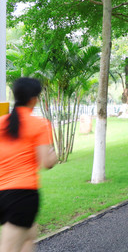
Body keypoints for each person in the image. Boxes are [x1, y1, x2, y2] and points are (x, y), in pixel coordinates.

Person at [0, 78, 57, 252]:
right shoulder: (39, 125)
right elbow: (46, 163)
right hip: (22, 196)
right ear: (33, 99)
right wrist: (54, 154)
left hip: (3, 194)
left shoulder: (2, 122)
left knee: (29, 238)